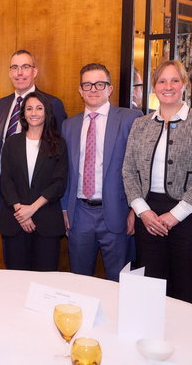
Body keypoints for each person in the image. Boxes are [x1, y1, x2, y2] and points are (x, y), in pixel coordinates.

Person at [122, 60, 192, 309]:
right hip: (149, 217)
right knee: (152, 292)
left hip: (189, 217)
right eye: (162, 81)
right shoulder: (140, 124)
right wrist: (142, 211)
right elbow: (128, 171)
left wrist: (175, 215)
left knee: (191, 291)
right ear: (154, 87)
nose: (168, 86)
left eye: (175, 80)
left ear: (185, 85)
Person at [61, 63, 142, 281]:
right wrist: (64, 209)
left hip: (117, 214)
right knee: (80, 280)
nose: (94, 89)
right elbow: (65, 171)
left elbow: (139, 167)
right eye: (87, 85)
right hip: (79, 214)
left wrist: (136, 209)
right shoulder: (69, 125)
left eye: (99, 84)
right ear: (80, 90)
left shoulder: (130, 119)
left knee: (119, 282)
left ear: (110, 88)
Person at [0, 92, 68, 271]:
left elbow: (59, 183)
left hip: (47, 221)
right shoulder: (11, 143)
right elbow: (6, 179)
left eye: (39, 108)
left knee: (45, 278)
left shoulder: (59, 144)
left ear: (47, 112)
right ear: (23, 114)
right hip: (15, 221)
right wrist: (21, 211)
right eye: (29, 108)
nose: (33, 113)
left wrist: (32, 209)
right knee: (16, 280)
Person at [0, 50, 67, 210]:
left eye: (25, 67)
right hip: (7, 193)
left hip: (40, 197)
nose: (19, 72)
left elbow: (60, 154)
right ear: (9, 72)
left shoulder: (52, 104)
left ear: (35, 71)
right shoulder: (3, 104)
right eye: (15, 67)